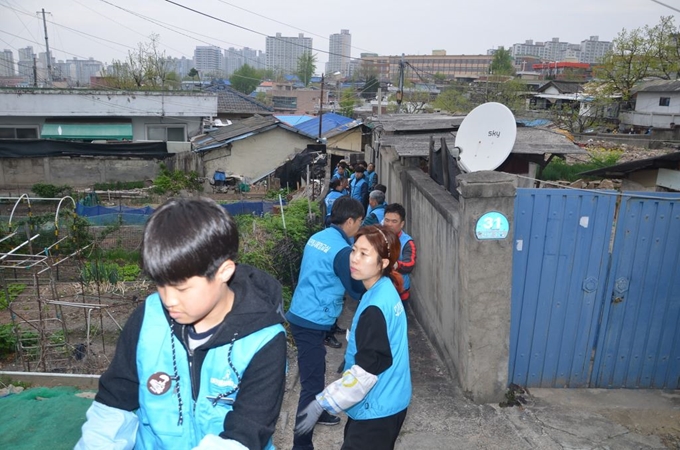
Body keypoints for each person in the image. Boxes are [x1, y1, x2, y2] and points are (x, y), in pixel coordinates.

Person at [76, 197, 287, 450]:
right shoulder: (148, 318)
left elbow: (247, 433)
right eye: (160, 284)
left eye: (181, 288)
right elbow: (114, 402)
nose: (168, 299)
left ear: (224, 272)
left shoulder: (264, 340)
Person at [294, 225, 411, 450]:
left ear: (383, 263)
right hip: (391, 399)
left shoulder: (375, 307)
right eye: (354, 250)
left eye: (364, 254)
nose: (354, 259)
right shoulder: (384, 289)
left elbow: (367, 372)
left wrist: (322, 403)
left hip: (377, 408)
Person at [286, 196, 366, 450]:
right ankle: (301, 444)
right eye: (360, 223)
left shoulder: (319, 237)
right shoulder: (341, 251)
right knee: (311, 386)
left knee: (316, 373)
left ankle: (318, 413)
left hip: (305, 311)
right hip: (311, 320)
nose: (359, 228)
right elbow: (355, 289)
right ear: (351, 221)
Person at [382, 203, 417, 302]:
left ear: (402, 224)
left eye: (394, 221)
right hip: (379, 291)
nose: (389, 224)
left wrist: (396, 264)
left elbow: (410, 264)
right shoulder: (378, 237)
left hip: (399, 294)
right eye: (387, 220)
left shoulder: (407, 242)